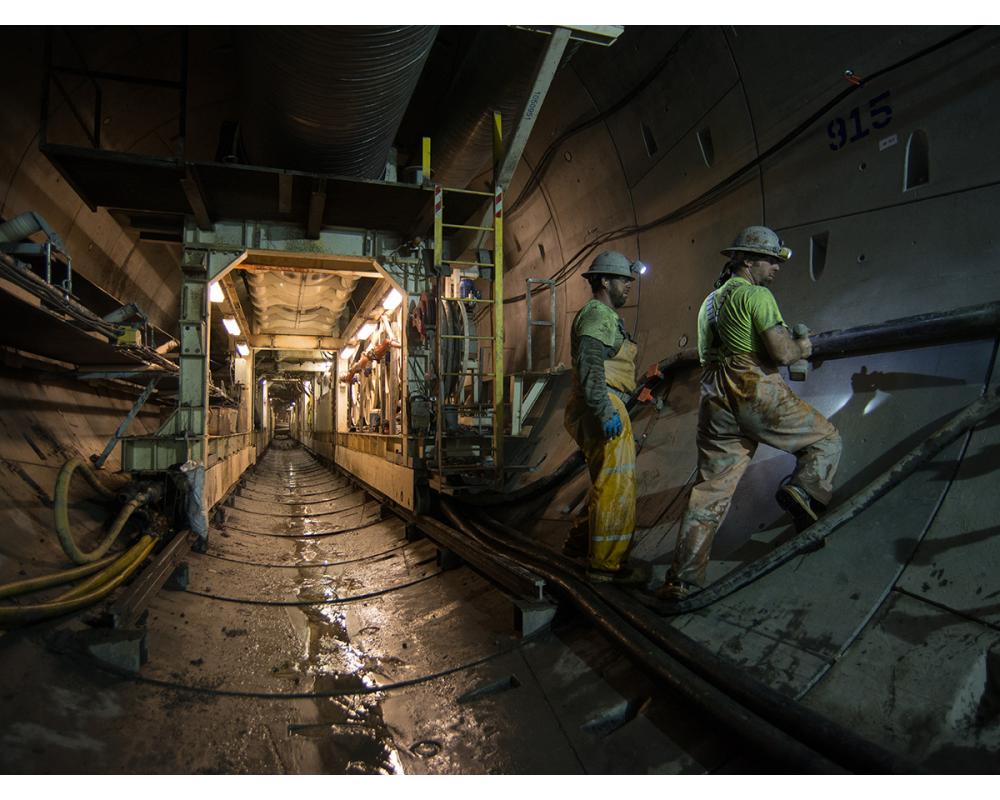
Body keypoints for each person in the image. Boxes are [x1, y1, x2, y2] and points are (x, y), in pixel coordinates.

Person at [660, 226, 842, 600]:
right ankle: (803, 493)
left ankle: (681, 580)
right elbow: (781, 353)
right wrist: (803, 346)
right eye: (769, 260)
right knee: (826, 439)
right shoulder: (757, 296)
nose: (775, 267)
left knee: (710, 491)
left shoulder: (709, 302)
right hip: (752, 389)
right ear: (745, 260)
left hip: (714, 398)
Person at [564, 250, 646, 584]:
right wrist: (606, 409)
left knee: (605, 480)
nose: (628, 286)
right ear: (604, 281)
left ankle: (579, 544)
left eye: (629, 280)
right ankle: (607, 565)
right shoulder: (597, 313)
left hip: (603, 404)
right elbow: (591, 366)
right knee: (617, 482)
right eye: (622, 280)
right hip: (603, 405)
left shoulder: (606, 317)